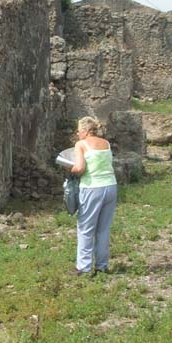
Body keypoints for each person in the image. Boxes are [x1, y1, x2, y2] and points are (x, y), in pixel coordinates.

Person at [69, 116, 118, 275]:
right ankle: (102, 266)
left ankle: (83, 267)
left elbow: (80, 168)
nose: (77, 134)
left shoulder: (81, 145)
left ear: (85, 130)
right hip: (110, 186)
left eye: (78, 131)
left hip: (92, 187)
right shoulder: (106, 144)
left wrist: (71, 169)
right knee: (103, 229)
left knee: (85, 228)